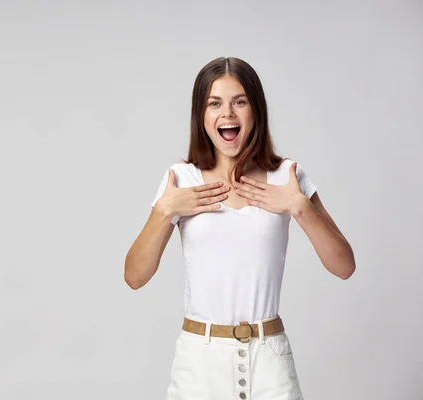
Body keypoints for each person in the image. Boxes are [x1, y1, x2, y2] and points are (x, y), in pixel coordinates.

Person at [124, 57, 356, 400]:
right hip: (198, 365)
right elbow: (135, 276)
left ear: (256, 110)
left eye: (240, 101)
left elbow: (344, 266)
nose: (227, 114)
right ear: (200, 115)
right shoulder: (180, 180)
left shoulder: (287, 177)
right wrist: (165, 210)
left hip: (270, 360)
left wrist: (299, 206)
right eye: (214, 103)